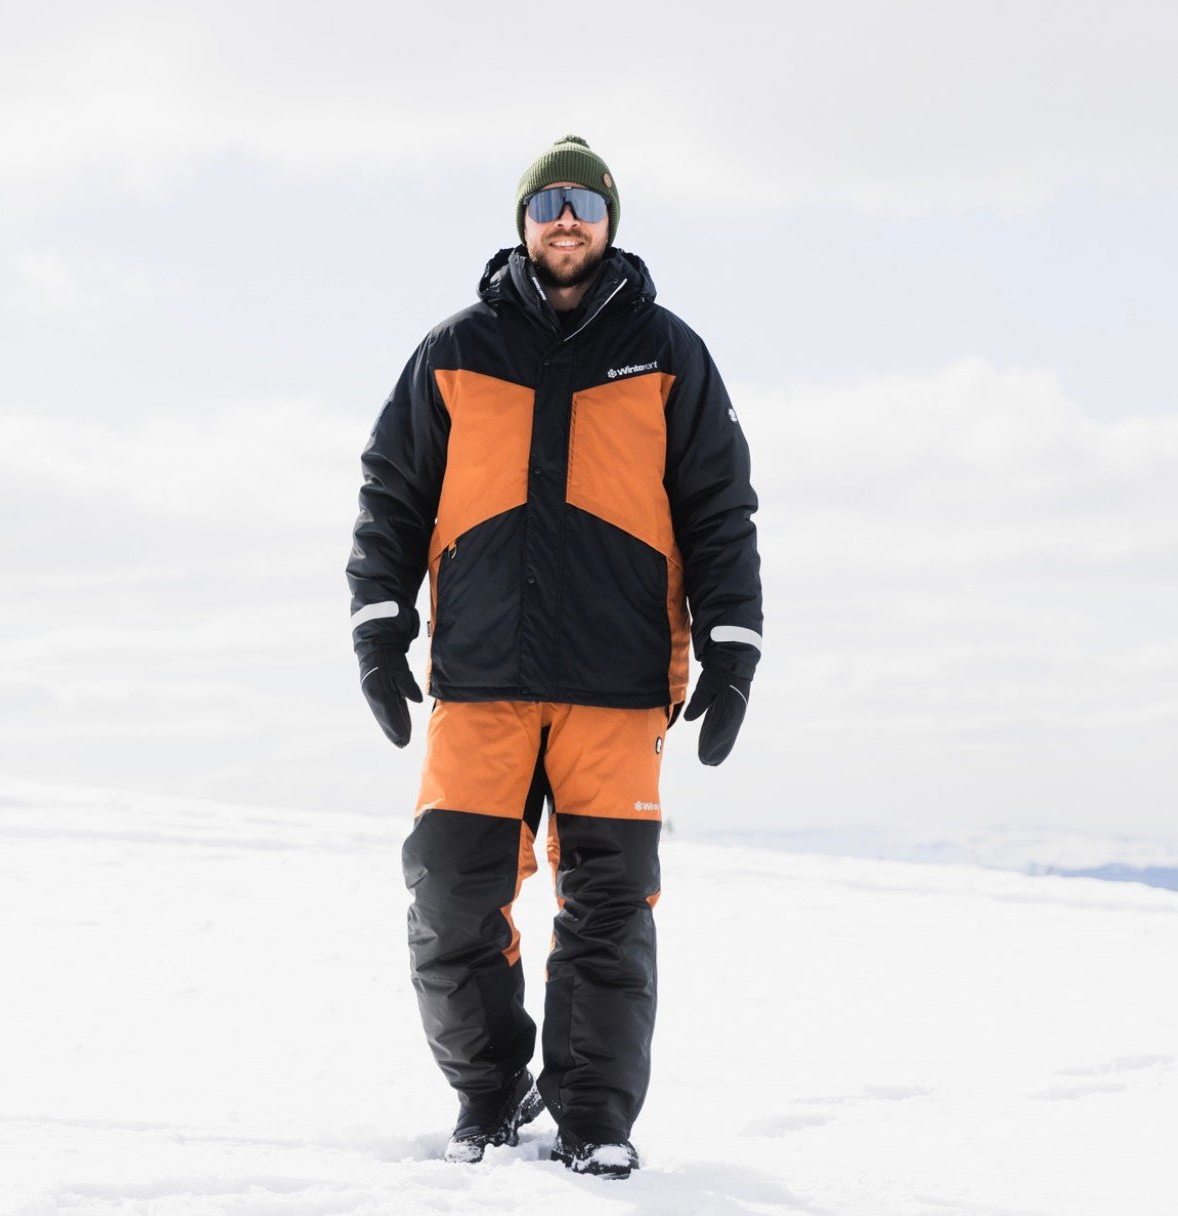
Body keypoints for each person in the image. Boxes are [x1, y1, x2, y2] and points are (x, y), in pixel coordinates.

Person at [346, 135, 762, 1180]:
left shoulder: (668, 353)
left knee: (610, 913)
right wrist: (378, 625)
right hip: (479, 679)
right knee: (447, 897)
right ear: (523, 222)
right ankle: (491, 1092)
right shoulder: (453, 350)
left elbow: (720, 508)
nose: (565, 218)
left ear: (610, 220)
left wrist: (734, 647)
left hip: (618, 688)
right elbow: (392, 495)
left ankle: (593, 1115)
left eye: (583, 201)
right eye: (547, 203)